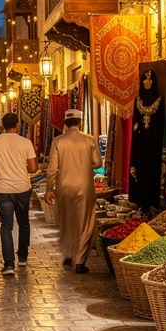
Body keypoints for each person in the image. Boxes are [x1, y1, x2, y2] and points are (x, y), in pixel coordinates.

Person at [44, 109, 102, 274]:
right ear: (80, 122)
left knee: (67, 221)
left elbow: (52, 169)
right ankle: (80, 262)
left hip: (63, 187)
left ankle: (68, 254)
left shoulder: (58, 141)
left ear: (65, 124)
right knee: (84, 223)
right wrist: (84, 164)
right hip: (84, 188)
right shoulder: (89, 140)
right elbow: (97, 162)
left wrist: (49, 189)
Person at [0, 113, 38, 275]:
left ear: (3, 124)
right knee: (24, 223)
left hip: (2, 190)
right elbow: (33, 168)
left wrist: (2, 170)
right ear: (17, 124)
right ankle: (22, 257)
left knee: (6, 226)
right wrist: (20, 168)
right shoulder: (25, 142)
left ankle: (8, 264)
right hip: (22, 188)